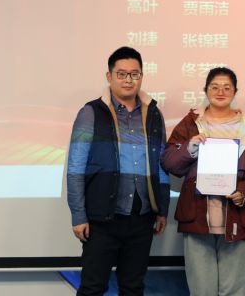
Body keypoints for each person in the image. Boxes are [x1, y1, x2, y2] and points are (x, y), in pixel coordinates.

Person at [65, 46, 170, 296]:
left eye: (134, 74)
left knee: (133, 288)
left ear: (141, 77)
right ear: (109, 76)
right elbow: (75, 168)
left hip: (142, 216)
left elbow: (161, 165)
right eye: (121, 74)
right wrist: (78, 215)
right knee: (93, 288)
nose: (128, 80)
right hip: (102, 218)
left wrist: (162, 208)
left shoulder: (153, 114)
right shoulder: (91, 113)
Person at [160, 67, 245, 296]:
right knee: (202, 290)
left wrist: (244, 192)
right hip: (197, 216)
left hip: (237, 216)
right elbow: (169, 162)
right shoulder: (191, 123)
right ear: (206, 90)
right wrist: (189, 148)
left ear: (235, 92)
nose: (221, 92)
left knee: (234, 290)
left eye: (227, 87)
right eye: (215, 87)